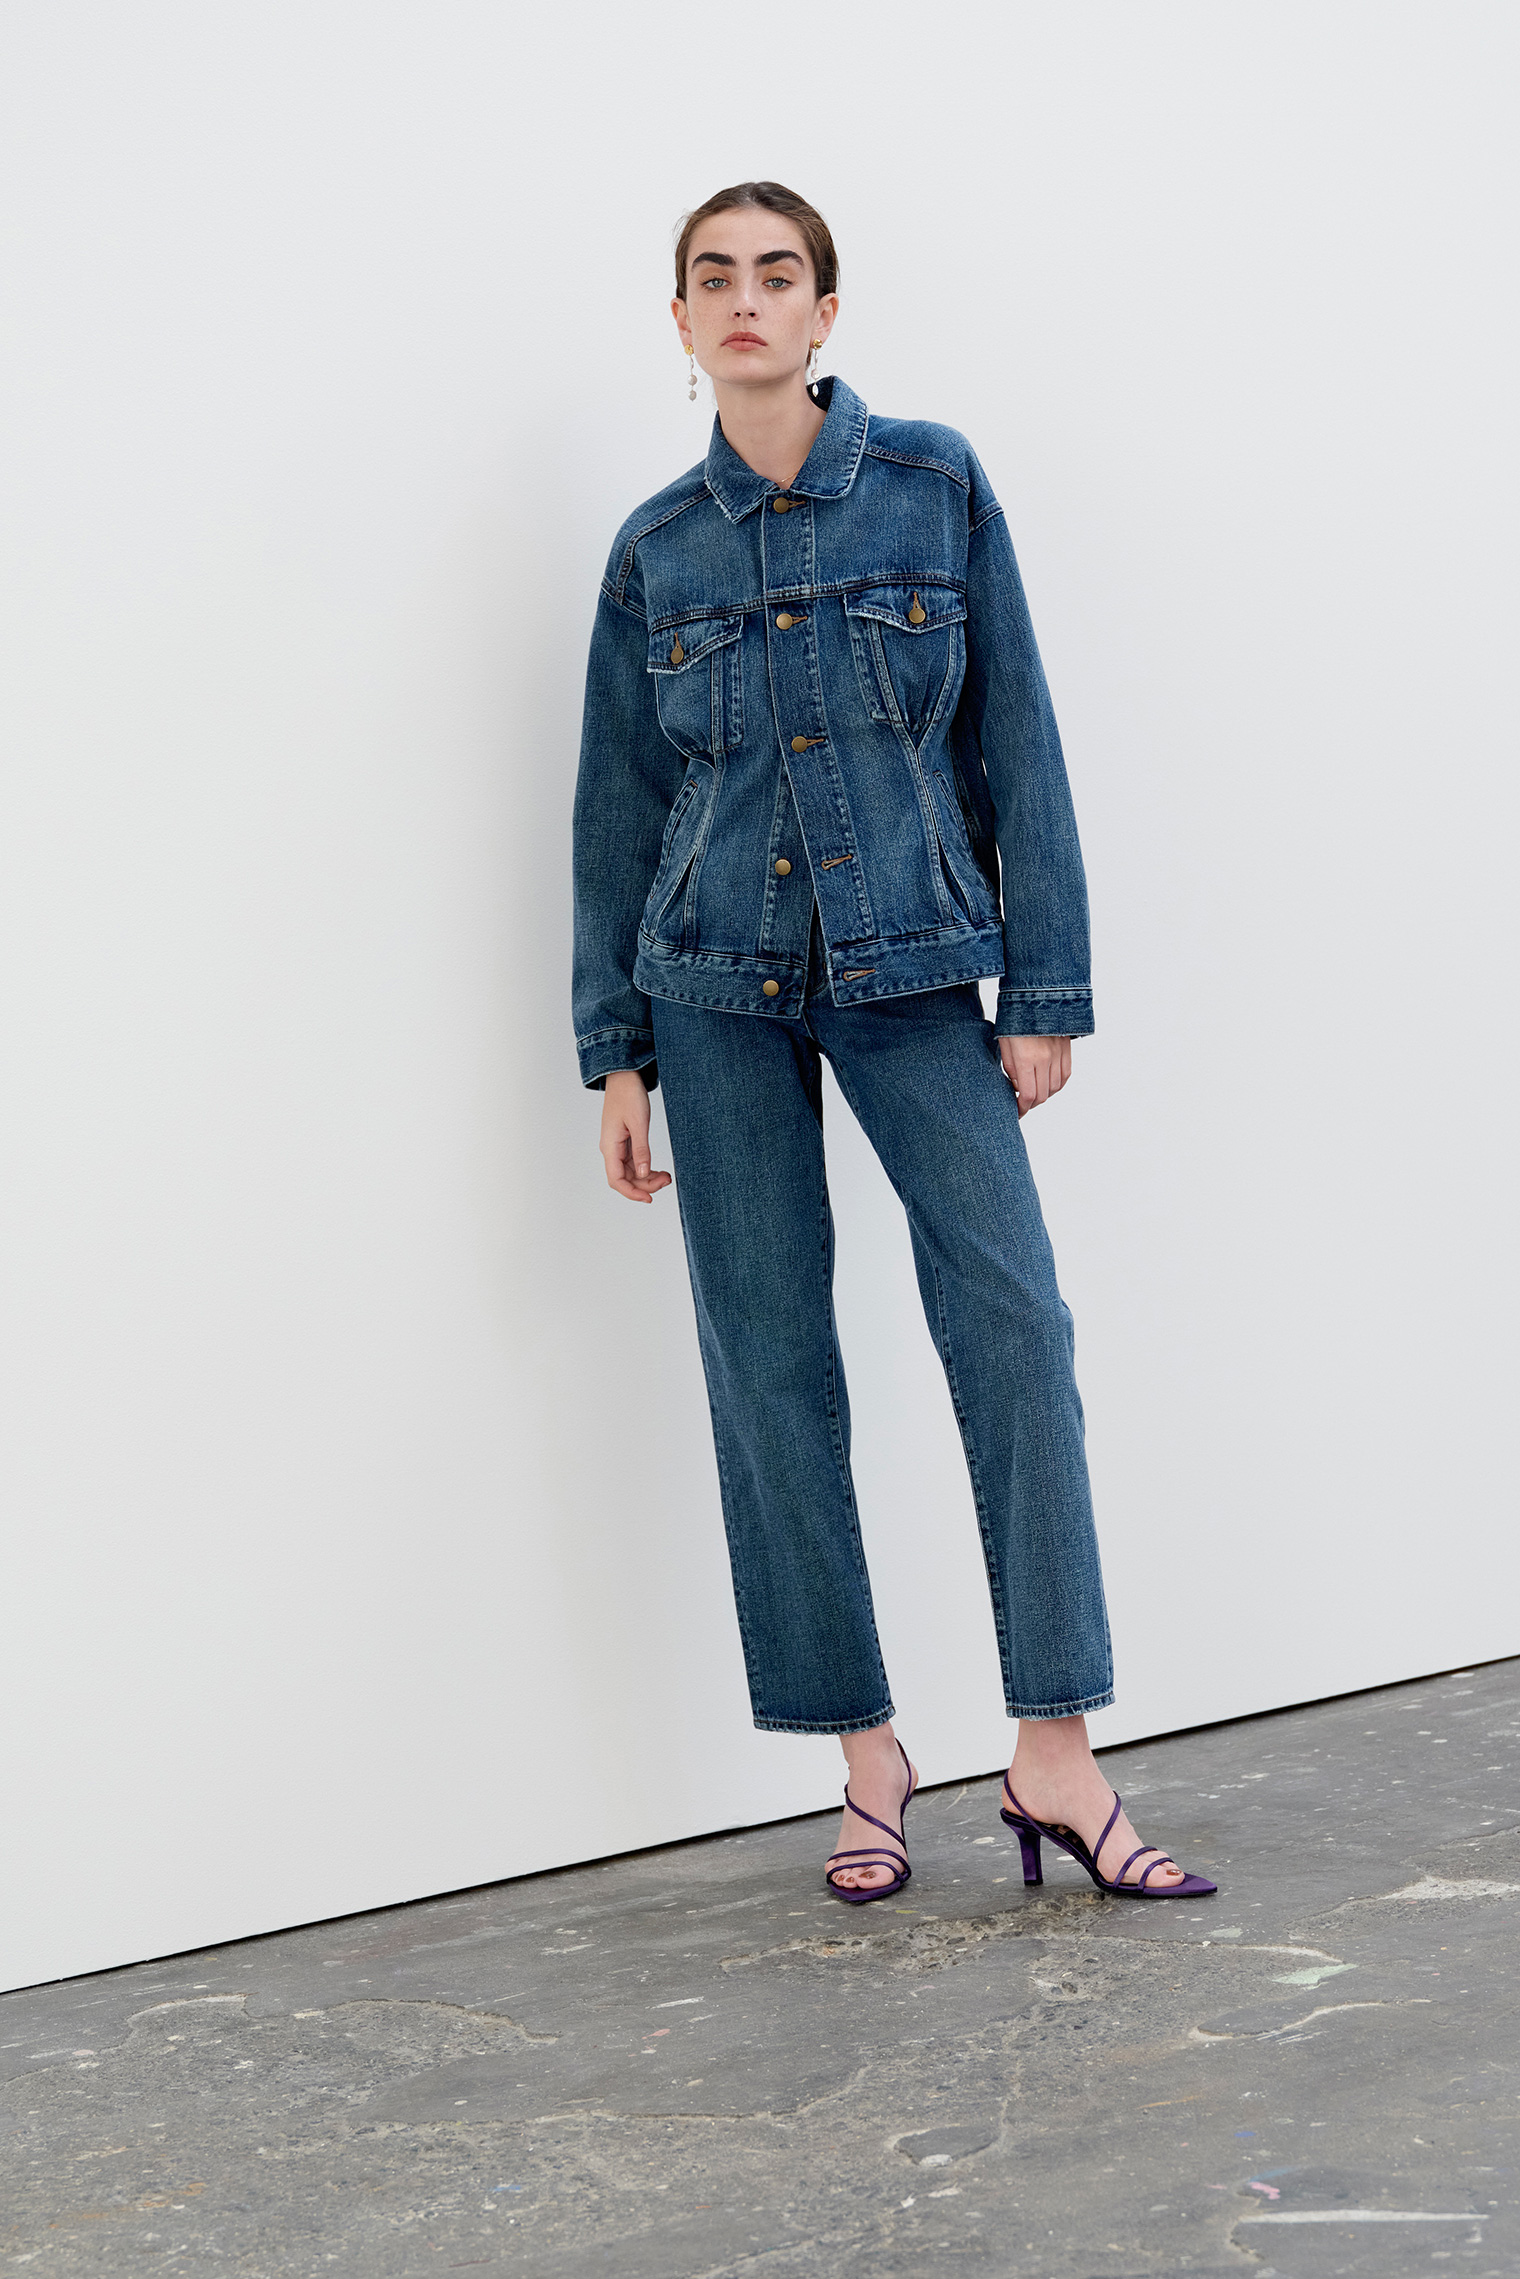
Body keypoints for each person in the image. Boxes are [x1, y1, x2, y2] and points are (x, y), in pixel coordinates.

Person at [571, 181, 1215, 1906]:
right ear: (682, 320)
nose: (746, 300)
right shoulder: (655, 550)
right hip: (710, 986)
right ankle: (866, 1757)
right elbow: (615, 810)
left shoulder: (931, 484)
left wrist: (1047, 987)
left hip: (917, 967)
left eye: (777, 274)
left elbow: (1020, 732)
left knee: (1015, 1323)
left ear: (825, 311)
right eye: (714, 278)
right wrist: (614, 1051)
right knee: (768, 1360)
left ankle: (1056, 1751)